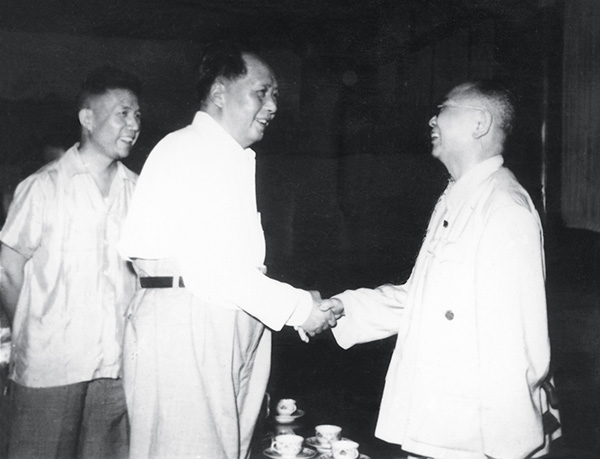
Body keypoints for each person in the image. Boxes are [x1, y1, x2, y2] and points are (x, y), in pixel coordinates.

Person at [118, 41, 341, 459]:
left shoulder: (226, 157)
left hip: (220, 317)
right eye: (262, 92)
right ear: (219, 93)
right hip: (189, 321)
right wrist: (298, 308)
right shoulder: (189, 151)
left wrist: (295, 302)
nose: (272, 106)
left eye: (275, 95)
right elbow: (214, 268)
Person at [328, 81, 560, 459]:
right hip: (443, 425)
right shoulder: (457, 197)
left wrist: (510, 449)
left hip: (479, 438)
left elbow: (515, 345)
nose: (432, 120)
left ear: (480, 123)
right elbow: (421, 300)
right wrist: (343, 309)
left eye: (444, 109)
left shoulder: (504, 208)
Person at [0, 66, 142, 459]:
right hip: (50, 369)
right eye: (122, 114)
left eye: (137, 115)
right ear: (87, 119)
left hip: (115, 370)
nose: (133, 125)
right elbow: (8, 272)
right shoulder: (42, 187)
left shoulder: (139, 191)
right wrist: (34, 330)